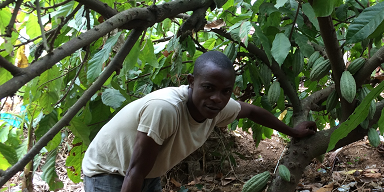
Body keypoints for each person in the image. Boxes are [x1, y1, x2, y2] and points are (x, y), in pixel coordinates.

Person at [82, 51, 317, 192]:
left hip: (145, 173)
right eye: (208, 88)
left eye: (225, 91)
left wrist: (293, 132)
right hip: (109, 171)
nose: (217, 98)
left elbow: (253, 112)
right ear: (191, 81)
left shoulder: (218, 106)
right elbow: (134, 172)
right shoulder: (166, 109)